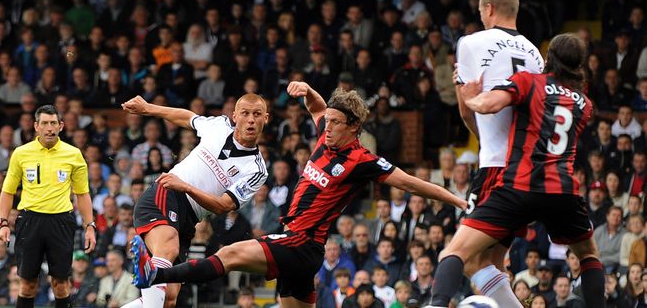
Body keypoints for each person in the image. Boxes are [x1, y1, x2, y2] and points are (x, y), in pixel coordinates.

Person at [132, 82, 466, 308]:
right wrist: (307, 90)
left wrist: (456, 200)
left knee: (231, 254)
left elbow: (410, 183)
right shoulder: (324, 135)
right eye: (328, 121)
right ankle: (159, 276)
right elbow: (318, 106)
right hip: (305, 251)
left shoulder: (362, 160)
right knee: (169, 298)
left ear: (353, 127)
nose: (327, 127)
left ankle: (159, 273)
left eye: (335, 123)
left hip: (301, 241)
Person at [427, 34, 603, 308]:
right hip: (563, 192)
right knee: (589, 254)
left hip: (519, 187)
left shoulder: (530, 83)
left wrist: (470, 97)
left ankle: (437, 304)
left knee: (455, 251)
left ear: (549, 59)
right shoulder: (584, 104)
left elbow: (488, 105)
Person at [120, 94, 269, 308]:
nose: (251, 120)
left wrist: (188, 187)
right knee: (168, 249)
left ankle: (149, 274)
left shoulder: (256, 170)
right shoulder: (219, 125)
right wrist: (148, 108)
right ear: (235, 116)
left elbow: (223, 205)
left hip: (188, 219)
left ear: (266, 118)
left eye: (257, 114)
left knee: (168, 299)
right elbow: (187, 118)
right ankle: (149, 272)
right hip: (167, 192)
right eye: (245, 113)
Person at [452, 0, 544, 307]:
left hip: (494, 168)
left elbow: (471, 116)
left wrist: (463, 98)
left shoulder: (472, 43)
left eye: (480, 12)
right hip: (528, 172)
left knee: (463, 259)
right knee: (493, 263)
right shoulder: (536, 54)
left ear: (488, 9)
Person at [0, 104, 96, 308]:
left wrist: (90, 226)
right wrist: (4, 222)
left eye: (53, 123)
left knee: (61, 285)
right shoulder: (21, 153)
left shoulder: (74, 154)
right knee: (27, 285)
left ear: (61, 126)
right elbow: (7, 191)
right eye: (45, 123)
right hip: (29, 221)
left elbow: (82, 194)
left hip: (61, 221)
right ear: (36, 126)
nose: (49, 128)